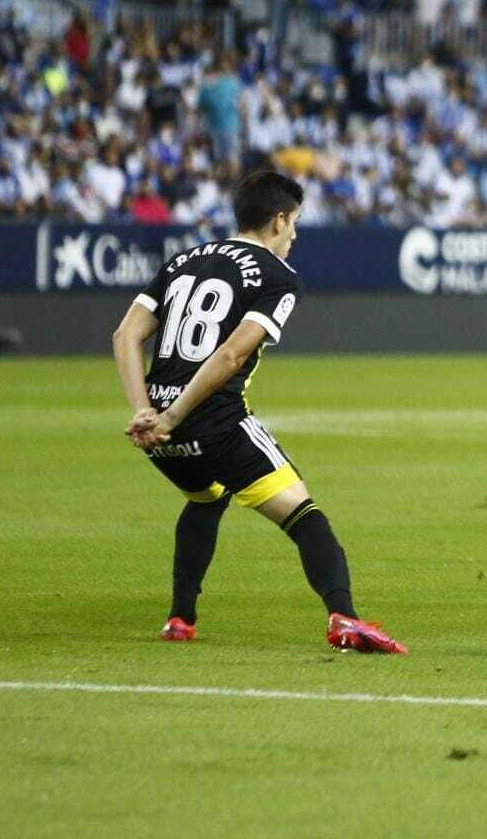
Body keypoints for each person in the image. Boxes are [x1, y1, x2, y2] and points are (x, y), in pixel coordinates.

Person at [112, 171, 406, 654]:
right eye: (294, 224)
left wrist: (148, 412)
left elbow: (124, 335)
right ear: (279, 219)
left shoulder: (184, 260)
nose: (295, 235)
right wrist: (173, 416)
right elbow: (229, 356)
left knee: (207, 498)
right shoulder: (278, 277)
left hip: (162, 436)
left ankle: (180, 620)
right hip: (214, 422)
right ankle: (345, 618)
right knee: (305, 515)